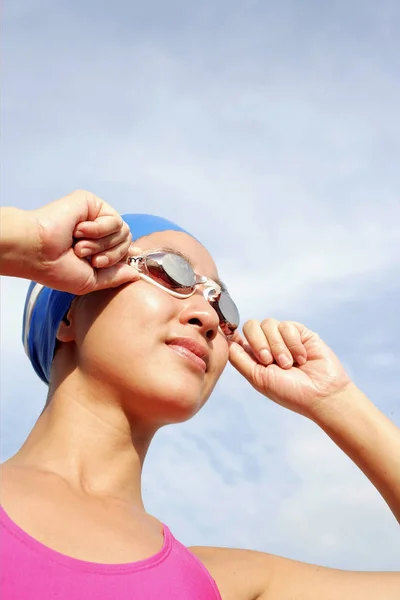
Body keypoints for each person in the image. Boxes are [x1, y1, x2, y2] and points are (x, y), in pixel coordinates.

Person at [0, 189, 399, 600]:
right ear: (68, 315)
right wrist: (23, 239)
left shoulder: (219, 582)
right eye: (170, 272)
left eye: (224, 306)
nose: (208, 316)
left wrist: (337, 401)